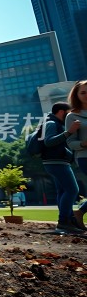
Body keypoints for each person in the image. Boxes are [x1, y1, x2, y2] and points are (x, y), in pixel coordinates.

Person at [42, 101, 83, 234]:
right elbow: (49, 141)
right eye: (68, 112)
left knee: (62, 191)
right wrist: (69, 132)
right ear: (61, 112)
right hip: (56, 162)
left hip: (57, 162)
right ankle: (64, 221)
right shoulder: (51, 123)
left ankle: (68, 220)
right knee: (72, 189)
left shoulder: (54, 123)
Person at [65, 80, 87, 229]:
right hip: (85, 156)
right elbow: (70, 142)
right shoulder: (72, 117)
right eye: (83, 92)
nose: (86, 95)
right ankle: (80, 212)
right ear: (76, 95)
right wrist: (83, 144)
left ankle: (80, 212)